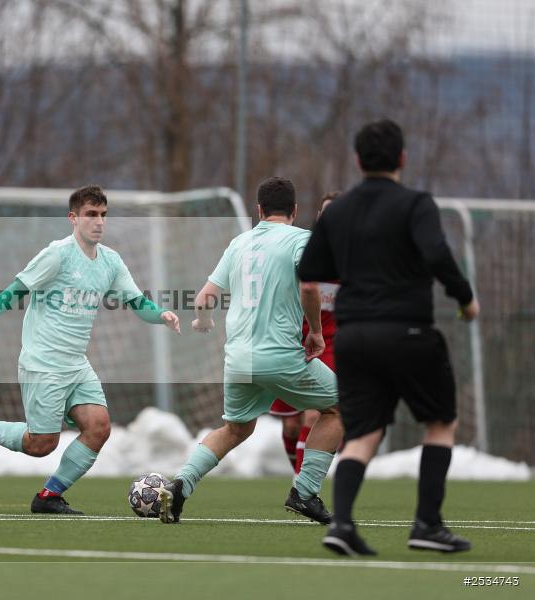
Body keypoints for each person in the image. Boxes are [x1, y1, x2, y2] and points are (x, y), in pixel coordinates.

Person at [299, 119, 478, 556]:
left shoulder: (337, 212)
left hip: (356, 337)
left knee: (362, 433)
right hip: (409, 331)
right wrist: (465, 297)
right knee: (440, 424)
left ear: (358, 161)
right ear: (402, 158)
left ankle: (341, 525)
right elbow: (437, 253)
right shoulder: (416, 204)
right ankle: (427, 525)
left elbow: (308, 274)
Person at [0, 185, 180, 515]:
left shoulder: (111, 262)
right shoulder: (57, 254)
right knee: (41, 444)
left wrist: (161, 315)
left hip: (76, 365)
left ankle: (48, 496)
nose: (98, 222)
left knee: (99, 427)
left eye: (103, 215)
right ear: (73, 218)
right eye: (91, 215)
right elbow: (16, 289)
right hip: (43, 363)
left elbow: (136, 301)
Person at [159, 177, 343, 525]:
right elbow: (309, 287)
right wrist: (316, 332)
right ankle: (304, 493)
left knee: (234, 429)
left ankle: (181, 484)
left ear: (258, 210)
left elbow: (203, 299)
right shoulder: (302, 240)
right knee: (339, 408)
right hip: (280, 355)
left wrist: (204, 322)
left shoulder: (239, 243)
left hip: (239, 359)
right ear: (295, 211)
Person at [270, 192, 340, 476]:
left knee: (316, 414)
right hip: (292, 344)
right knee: (291, 424)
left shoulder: (355, 257)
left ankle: (303, 488)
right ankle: (300, 480)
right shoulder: (302, 249)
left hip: (330, 346)